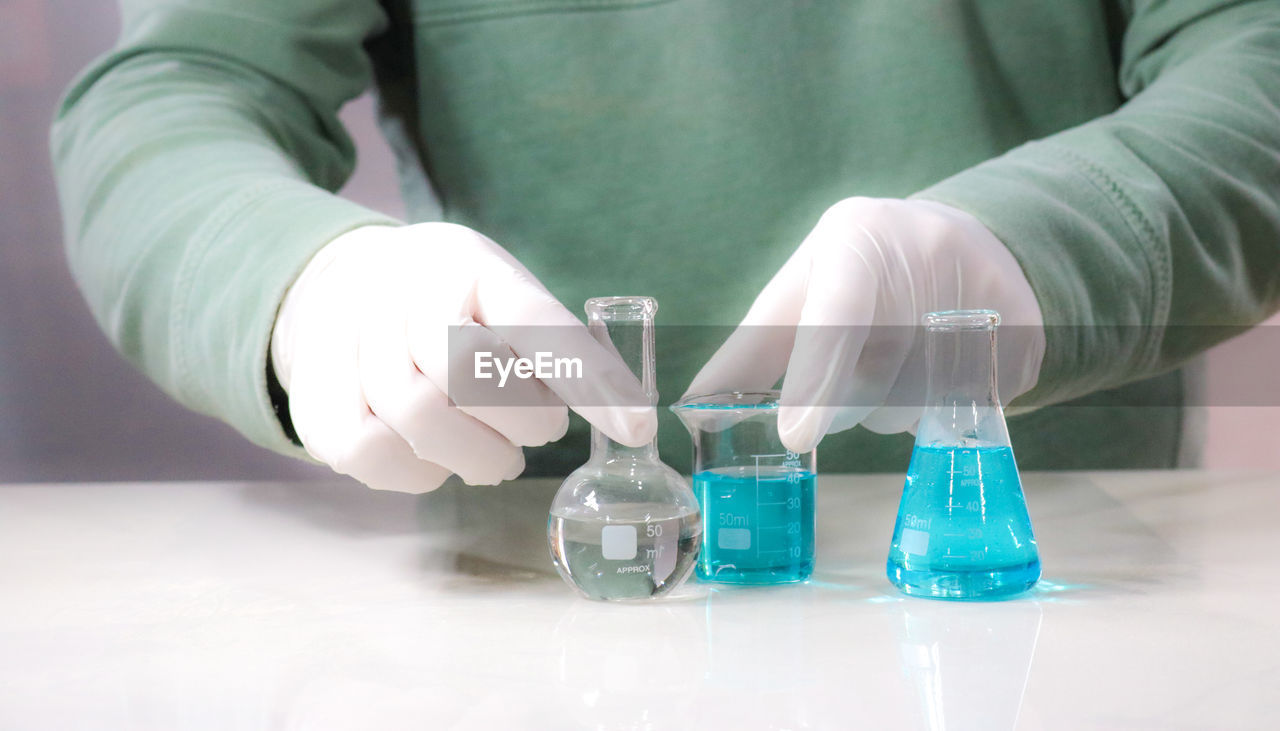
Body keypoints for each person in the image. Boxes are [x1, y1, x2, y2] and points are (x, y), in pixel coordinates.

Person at [52, 1, 1280, 493]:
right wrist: (301, 284)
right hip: (537, 618)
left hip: (1050, 585)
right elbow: (179, 88)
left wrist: (1044, 249)